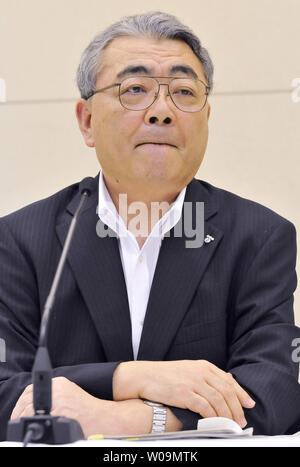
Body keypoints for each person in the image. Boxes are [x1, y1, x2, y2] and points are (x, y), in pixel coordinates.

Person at [0, 11, 300, 440]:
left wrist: (135, 421)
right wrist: (131, 377)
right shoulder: (19, 240)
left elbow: (276, 388)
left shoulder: (258, 236)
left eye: (183, 91)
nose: (162, 111)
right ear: (87, 121)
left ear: (206, 117)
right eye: (135, 90)